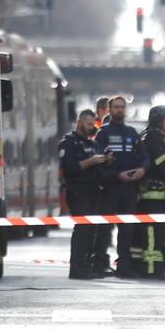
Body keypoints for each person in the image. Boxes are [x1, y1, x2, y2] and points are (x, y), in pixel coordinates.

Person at [93, 95, 146, 277]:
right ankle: (100, 263)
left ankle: (124, 266)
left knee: (127, 228)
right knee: (104, 228)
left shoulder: (132, 132)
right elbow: (97, 163)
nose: (119, 110)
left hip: (129, 189)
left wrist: (142, 170)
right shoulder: (103, 133)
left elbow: (144, 157)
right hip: (110, 188)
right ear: (109, 109)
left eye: (122, 107)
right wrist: (116, 176)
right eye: (116, 107)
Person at [59, 109, 112, 279]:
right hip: (78, 192)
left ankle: (87, 266)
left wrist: (106, 160)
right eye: (88, 124)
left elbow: (99, 169)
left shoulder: (92, 144)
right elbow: (70, 169)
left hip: (93, 192)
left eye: (92, 124)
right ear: (80, 121)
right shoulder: (68, 143)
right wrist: (90, 161)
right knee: (82, 230)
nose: (91, 127)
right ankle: (77, 268)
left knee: (91, 231)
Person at [134, 104, 165, 278]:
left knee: (158, 232)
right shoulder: (154, 138)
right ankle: (152, 268)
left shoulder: (154, 136)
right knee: (153, 232)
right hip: (152, 196)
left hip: (158, 196)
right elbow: (164, 165)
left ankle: (154, 267)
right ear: (158, 119)